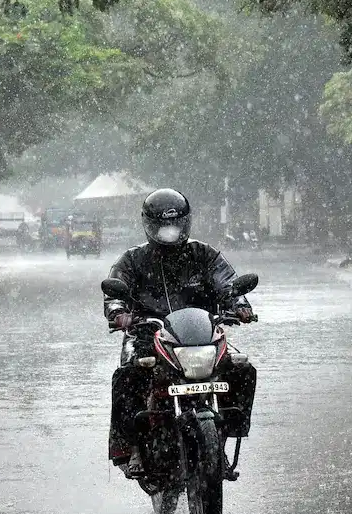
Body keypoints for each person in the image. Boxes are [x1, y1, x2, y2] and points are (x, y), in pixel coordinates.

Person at [103, 188, 257, 476]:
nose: (169, 232)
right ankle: (131, 447)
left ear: (185, 223)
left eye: (174, 225)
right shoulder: (133, 260)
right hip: (147, 334)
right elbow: (114, 290)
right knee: (128, 376)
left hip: (200, 336)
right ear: (149, 225)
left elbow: (228, 283)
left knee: (242, 368)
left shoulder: (204, 255)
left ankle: (225, 432)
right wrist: (119, 313)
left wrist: (239, 305)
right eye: (163, 225)